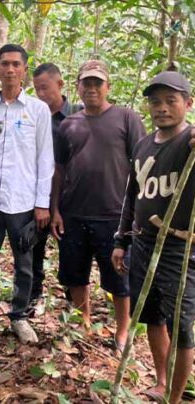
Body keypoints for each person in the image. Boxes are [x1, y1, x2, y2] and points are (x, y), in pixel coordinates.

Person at [51, 60, 146, 351]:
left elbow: (143, 164)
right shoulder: (68, 124)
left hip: (115, 215)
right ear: (77, 86)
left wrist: (138, 212)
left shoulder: (126, 118)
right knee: (75, 273)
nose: (91, 88)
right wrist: (55, 209)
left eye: (97, 83)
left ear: (108, 87)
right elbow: (60, 170)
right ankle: (84, 322)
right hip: (74, 212)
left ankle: (122, 330)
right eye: (86, 83)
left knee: (119, 277)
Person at [112, 71, 194, 403]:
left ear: (188, 104)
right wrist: (121, 240)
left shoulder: (190, 143)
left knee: (181, 326)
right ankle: (161, 381)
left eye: (171, 101)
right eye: (155, 102)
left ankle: (174, 397)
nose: (162, 108)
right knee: (150, 316)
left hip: (180, 247)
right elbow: (133, 196)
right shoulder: (144, 144)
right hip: (144, 243)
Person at [0, 44, 54, 345]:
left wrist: (42, 203)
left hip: (23, 202)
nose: (10, 69)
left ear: (24, 70)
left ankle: (19, 317)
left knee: (25, 263)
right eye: (5, 64)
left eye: (16, 64)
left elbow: (45, 159)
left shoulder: (37, 111)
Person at [31, 62, 82, 308]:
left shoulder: (79, 115)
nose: (41, 95)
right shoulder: (32, 116)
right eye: (36, 90)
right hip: (39, 194)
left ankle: (74, 304)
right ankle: (33, 296)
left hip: (71, 196)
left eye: (45, 88)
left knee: (72, 251)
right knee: (34, 248)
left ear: (60, 85)